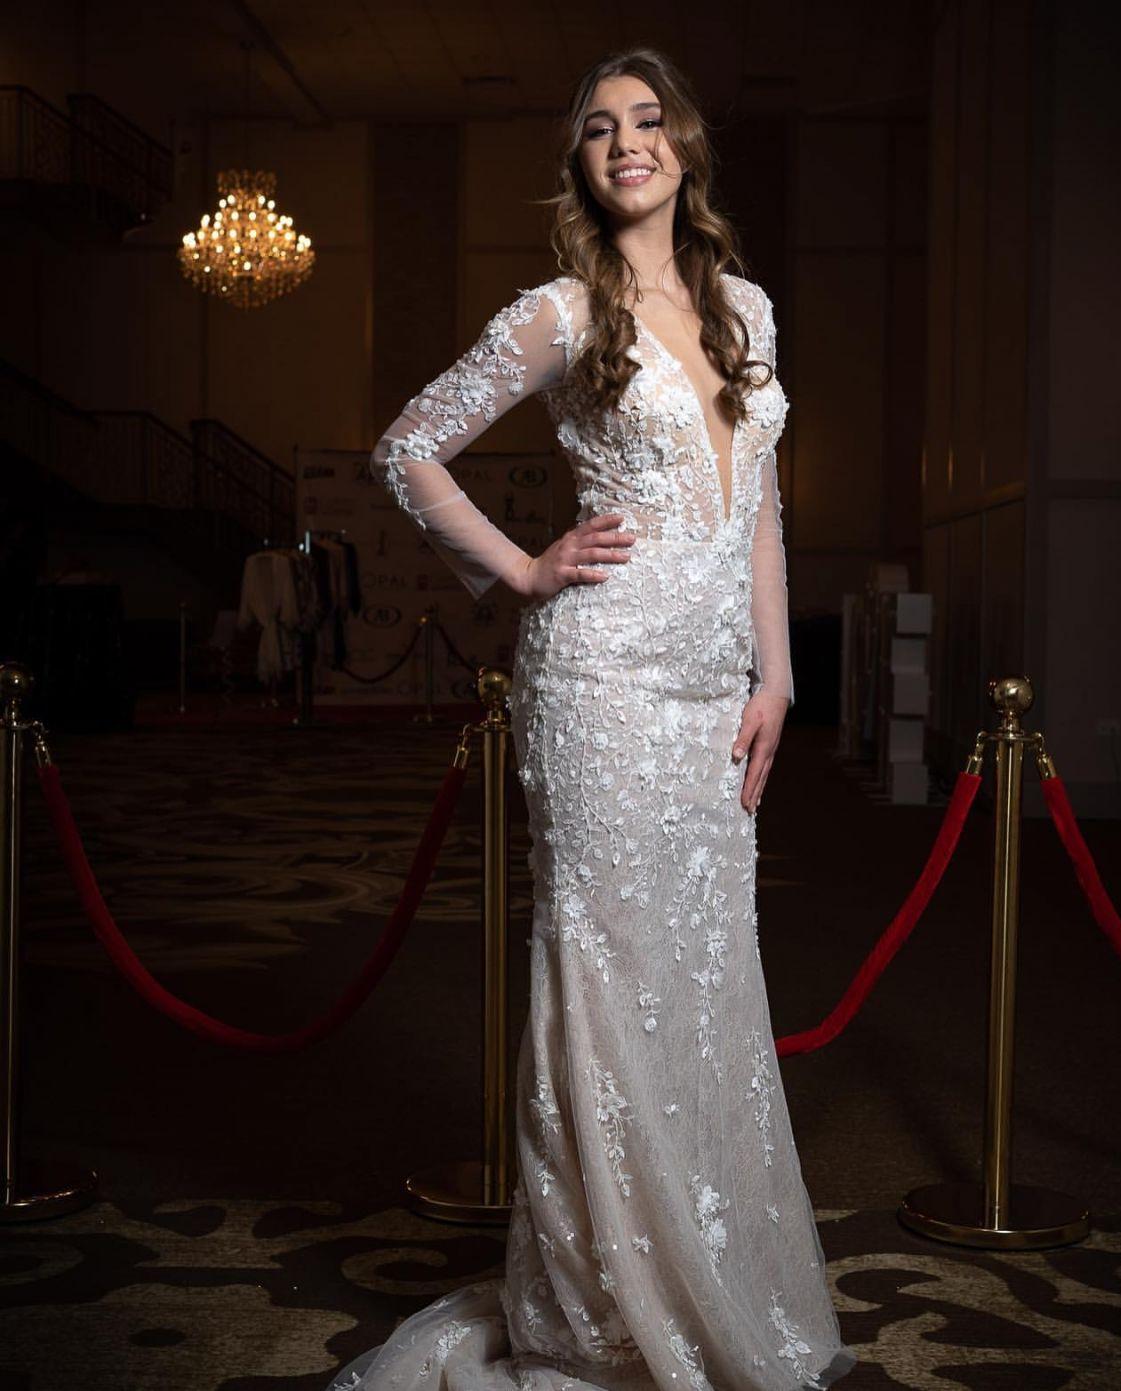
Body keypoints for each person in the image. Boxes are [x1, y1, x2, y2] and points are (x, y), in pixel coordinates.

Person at [327, 45, 857, 1391]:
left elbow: (758, 511)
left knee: (705, 984)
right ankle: (598, 1313)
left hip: (712, 699)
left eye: (648, 120)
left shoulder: (747, 310)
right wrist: (520, 569)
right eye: (601, 127)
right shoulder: (562, 313)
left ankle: (704, 1281)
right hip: (603, 689)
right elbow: (406, 448)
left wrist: (778, 678)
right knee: (609, 992)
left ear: (685, 145)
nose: (627, 142)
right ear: (581, 162)